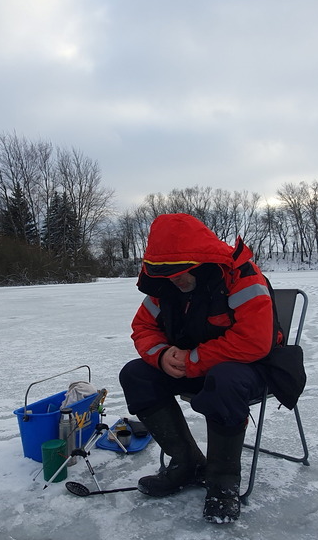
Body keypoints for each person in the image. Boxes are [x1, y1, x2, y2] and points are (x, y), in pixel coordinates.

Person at [119, 213, 303, 523]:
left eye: (181, 271)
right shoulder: (164, 285)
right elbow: (143, 327)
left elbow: (254, 342)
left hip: (255, 368)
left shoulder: (242, 276)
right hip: (193, 366)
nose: (175, 279)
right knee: (135, 375)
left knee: (224, 379)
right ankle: (186, 464)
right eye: (167, 272)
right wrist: (163, 355)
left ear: (201, 259)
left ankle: (222, 483)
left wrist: (193, 361)